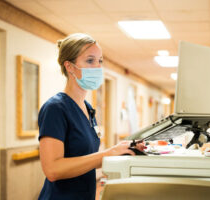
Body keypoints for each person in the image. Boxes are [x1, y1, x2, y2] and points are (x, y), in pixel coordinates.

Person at [38, 33, 143, 200]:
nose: (97, 67)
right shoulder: (55, 108)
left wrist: (121, 149)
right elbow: (52, 170)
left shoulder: (88, 109)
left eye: (100, 61)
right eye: (90, 60)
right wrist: (109, 153)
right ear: (70, 66)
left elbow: (85, 158)